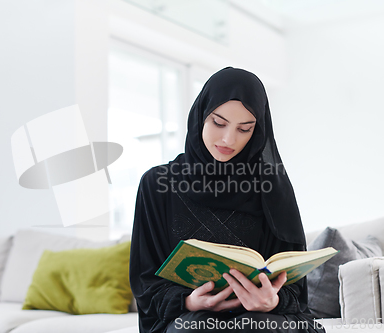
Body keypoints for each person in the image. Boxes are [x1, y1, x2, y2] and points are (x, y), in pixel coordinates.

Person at [129, 67, 325, 333]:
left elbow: (294, 288)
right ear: (200, 117)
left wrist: (272, 301)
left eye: (245, 129)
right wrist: (188, 300)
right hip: (190, 318)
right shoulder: (157, 184)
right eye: (218, 123)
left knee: (257, 327)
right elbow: (145, 280)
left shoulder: (271, 185)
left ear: (258, 132)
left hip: (261, 319)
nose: (228, 139)